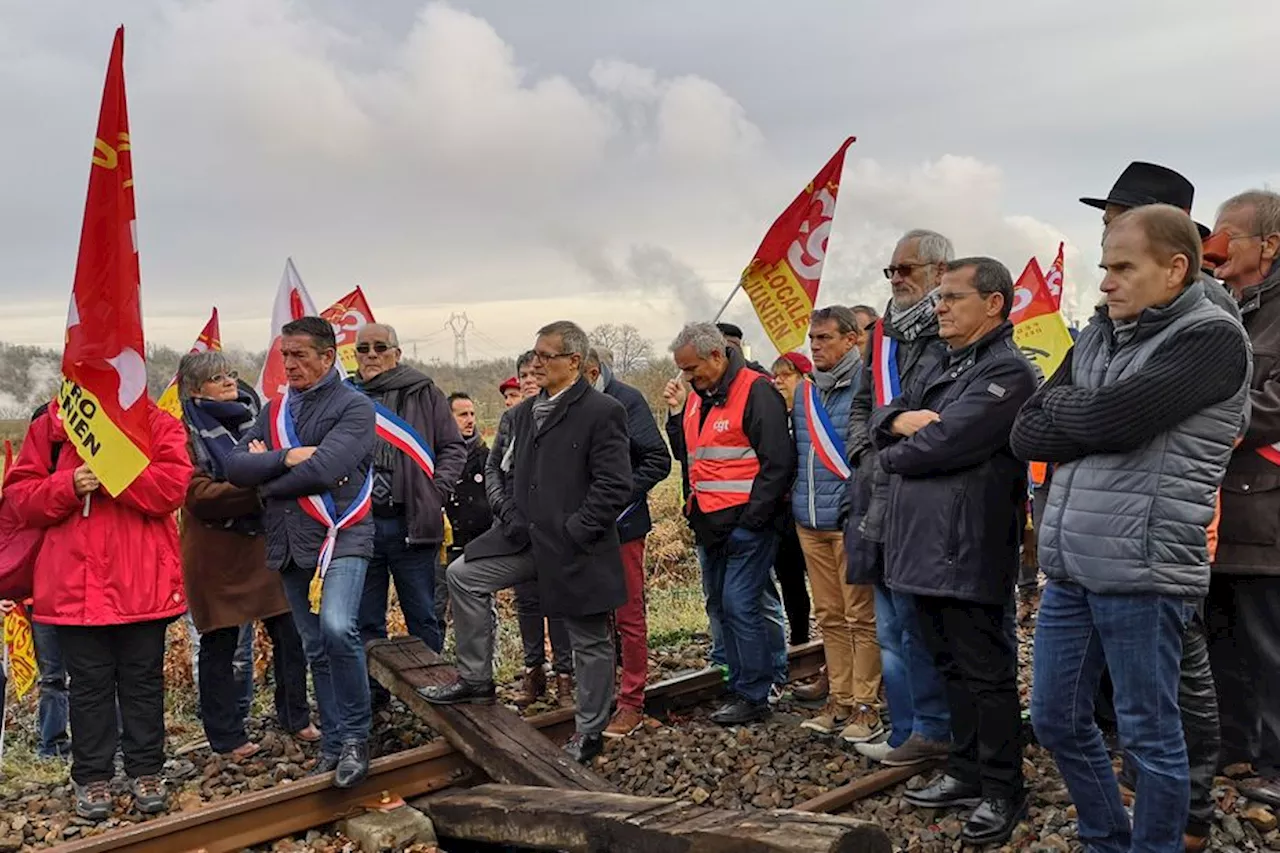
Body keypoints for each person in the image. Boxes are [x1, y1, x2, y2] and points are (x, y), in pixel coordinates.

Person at [1013, 205, 1250, 853]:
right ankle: (1105, 838)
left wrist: (1082, 416)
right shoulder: (1098, 334)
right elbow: (1027, 428)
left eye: (1123, 267)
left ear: (1176, 268)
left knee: (1149, 737)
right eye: (1104, 267)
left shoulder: (1212, 338)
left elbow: (1117, 421)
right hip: (1072, 563)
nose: (1106, 283)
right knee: (1058, 718)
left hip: (1144, 569)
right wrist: (1090, 416)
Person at [1079, 161, 1236, 851]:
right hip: (1113, 521)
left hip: (1165, 524)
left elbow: (1120, 417)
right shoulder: (1113, 314)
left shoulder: (1208, 316)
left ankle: (1189, 810)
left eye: (1116, 216)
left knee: (1177, 674)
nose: (1105, 229)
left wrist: (1090, 418)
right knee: (1149, 682)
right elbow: (1044, 415)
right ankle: (1155, 791)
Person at [874, 257, 1036, 845]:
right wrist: (901, 427)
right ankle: (966, 771)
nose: (938, 306)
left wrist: (896, 445)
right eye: (939, 297)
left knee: (986, 673)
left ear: (993, 304)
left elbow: (940, 443)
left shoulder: (1009, 373)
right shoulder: (944, 361)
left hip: (967, 546)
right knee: (948, 665)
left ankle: (1002, 787)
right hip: (924, 545)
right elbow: (885, 415)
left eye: (952, 297)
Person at [421, 321, 632, 765]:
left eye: (545, 356)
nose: (535, 364)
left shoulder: (602, 410)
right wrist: (511, 516)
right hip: (525, 538)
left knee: (589, 638)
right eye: (533, 355)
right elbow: (500, 469)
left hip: (578, 546)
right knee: (463, 575)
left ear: (573, 362)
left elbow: (614, 486)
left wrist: (576, 531)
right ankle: (476, 677)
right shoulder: (521, 414)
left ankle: (590, 730)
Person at [5, 397, 193, 821]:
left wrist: (114, 472)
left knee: (142, 681)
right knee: (87, 686)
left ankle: (146, 771)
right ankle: (92, 777)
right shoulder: (50, 427)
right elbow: (19, 498)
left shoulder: (156, 422)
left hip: (142, 582)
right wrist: (69, 485)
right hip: (73, 585)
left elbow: (171, 488)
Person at [226, 316, 377, 789]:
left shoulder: (354, 407)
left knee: (337, 628)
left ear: (327, 357)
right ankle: (333, 743)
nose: (289, 364)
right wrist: (285, 457)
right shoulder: (273, 411)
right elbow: (233, 465)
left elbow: (328, 468)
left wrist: (267, 481)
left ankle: (355, 737)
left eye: (299, 356)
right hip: (290, 544)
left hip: (343, 536)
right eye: (284, 355)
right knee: (315, 647)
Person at [846, 229, 953, 766]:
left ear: (939, 270)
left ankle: (935, 728)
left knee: (921, 627)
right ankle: (904, 729)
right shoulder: (884, 335)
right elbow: (863, 407)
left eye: (906, 269)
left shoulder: (953, 330)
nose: (896, 279)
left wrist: (891, 448)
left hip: (924, 497)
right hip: (879, 494)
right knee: (889, 628)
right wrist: (866, 456)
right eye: (891, 271)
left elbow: (940, 420)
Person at [177, 351, 317, 759]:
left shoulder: (257, 416)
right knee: (220, 645)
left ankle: (296, 716)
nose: (229, 383)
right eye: (217, 378)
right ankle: (226, 735)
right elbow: (198, 496)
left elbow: (281, 460)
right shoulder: (184, 431)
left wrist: (266, 470)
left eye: (231, 374)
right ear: (194, 389)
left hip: (265, 545)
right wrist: (261, 483)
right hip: (217, 553)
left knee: (290, 635)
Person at [664, 322, 795, 725]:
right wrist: (673, 415)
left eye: (692, 368)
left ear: (717, 356)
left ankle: (754, 693)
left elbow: (778, 463)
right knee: (722, 607)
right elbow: (688, 454)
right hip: (710, 523)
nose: (688, 377)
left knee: (741, 605)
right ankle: (742, 684)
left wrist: (752, 522)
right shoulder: (697, 396)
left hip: (746, 526)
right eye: (683, 370)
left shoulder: (755, 391)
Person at [1206, 189, 1280, 809]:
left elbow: (1274, 404)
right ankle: (1235, 745)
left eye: (1228, 236)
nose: (1214, 248)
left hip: (1264, 505)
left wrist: (1198, 417)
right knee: (1221, 632)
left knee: (1266, 639)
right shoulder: (1223, 305)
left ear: (1269, 245)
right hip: (1217, 505)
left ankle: (1277, 764)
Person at [352, 322, 466, 715]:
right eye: (362, 348)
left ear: (396, 352)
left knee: (422, 613)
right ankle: (376, 696)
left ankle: (430, 692)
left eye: (379, 347)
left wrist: (434, 491)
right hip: (361, 525)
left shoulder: (424, 392)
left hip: (411, 522)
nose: (370, 355)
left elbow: (453, 447)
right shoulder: (346, 397)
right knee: (366, 619)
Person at [792, 306, 882, 744]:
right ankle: (840, 699)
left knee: (860, 616)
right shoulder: (804, 393)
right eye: (812, 340)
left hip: (848, 519)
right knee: (828, 615)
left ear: (850, 340)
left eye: (825, 338)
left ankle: (867, 704)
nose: (816, 347)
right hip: (808, 519)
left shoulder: (866, 389)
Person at [582, 349, 672, 738]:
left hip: (622, 524)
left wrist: (615, 496)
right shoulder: (560, 404)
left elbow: (657, 459)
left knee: (628, 616)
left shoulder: (625, 399)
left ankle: (631, 701)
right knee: (591, 614)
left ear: (590, 370)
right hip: (581, 527)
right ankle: (598, 695)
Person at [493, 349, 575, 708]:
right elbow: (494, 469)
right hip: (517, 526)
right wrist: (508, 514)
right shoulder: (511, 419)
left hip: (556, 529)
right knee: (526, 601)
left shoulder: (563, 415)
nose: (528, 380)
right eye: (522, 375)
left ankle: (565, 675)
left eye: (533, 373)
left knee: (557, 601)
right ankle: (533, 671)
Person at [769, 352, 813, 648]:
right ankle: (799, 638)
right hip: (782, 510)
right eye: (777, 375)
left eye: (786, 375)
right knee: (790, 578)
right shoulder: (774, 416)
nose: (779, 381)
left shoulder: (812, 414)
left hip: (809, 507)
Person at [440, 391, 493, 634]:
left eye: (472, 414)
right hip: (444, 546)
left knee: (480, 610)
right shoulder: (436, 455)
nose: (470, 419)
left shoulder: (485, 456)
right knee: (437, 605)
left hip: (479, 545)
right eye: (462, 415)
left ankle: (484, 662)